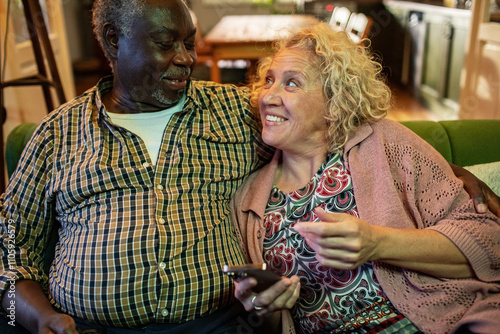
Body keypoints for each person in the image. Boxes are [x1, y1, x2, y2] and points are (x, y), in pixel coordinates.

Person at [0, 0, 496, 333]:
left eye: (190, 42)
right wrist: (40, 317)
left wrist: (455, 167)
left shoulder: (232, 112)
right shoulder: (55, 135)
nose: (187, 58)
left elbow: (337, 123)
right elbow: (8, 247)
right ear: (112, 42)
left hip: (215, 327)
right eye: (166, 43)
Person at [230, 22, 500, 334]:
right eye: (269, 81)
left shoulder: (385, 143)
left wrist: (376, 243)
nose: (268, 97)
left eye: (292, 84)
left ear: (335, 100)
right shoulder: (247, 202)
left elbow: (489, 242)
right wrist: (266, 309)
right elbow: (275, 323)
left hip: (436, 321)